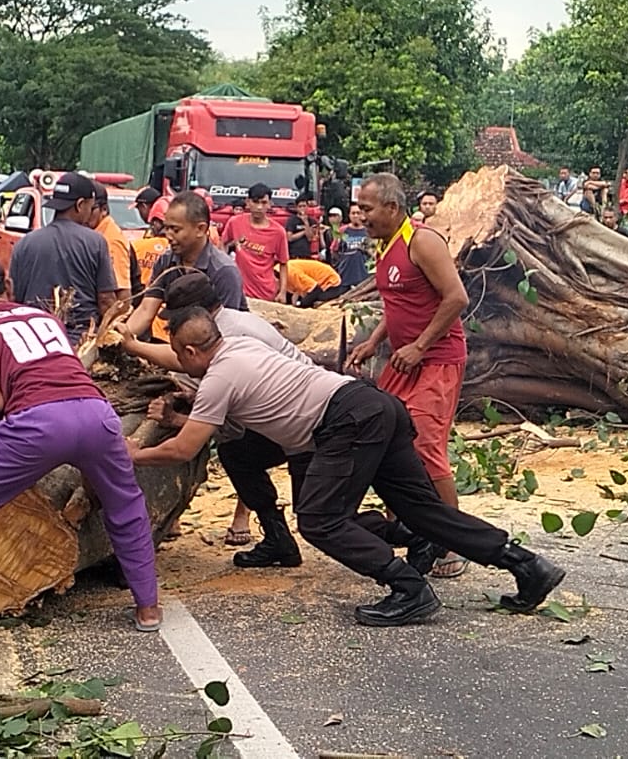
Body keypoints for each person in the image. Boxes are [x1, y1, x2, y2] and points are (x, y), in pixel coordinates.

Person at [129, 308, 566, 626]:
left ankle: (407, 589)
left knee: (319, 520)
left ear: (189, 350)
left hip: (346, 421)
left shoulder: (219, 376)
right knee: (420, 510)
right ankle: (526, 565)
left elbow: (183, 450)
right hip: (375, 405)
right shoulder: (239, 346)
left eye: (177, 355)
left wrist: (134, 454)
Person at [0, 255, 161, 631]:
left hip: (38, 424)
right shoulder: (45, 319)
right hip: (97, 413)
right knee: (124, 504)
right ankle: (148, 608)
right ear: (6, 287)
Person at [120, 271, 314, 564]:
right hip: (295, 417)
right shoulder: (226, 327)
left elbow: (210, 431)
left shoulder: (230, 339)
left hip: (306, 423)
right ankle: (278, 539)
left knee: (318, 520)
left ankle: (398, 540)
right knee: (237, 454)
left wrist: (165, 429)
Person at [345, 173, 471, 579]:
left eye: (367, 208)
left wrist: (420, 345)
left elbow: (456, 298)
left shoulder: (423, 242)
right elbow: (398, 305)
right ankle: (408, 530)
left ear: (392, 208)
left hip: (436, 361)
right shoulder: (385, 246)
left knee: (427, 447)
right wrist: (374, 342)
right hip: (403, 362)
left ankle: (455, 543)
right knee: (389, 439)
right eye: (359, 207)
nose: (360, 215)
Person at [118, 191, 247, 340]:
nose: (168, 235)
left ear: (200, 229)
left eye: (175, 229)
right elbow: (146, 309)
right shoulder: (166, 261)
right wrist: (121, 337)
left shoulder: (223, 271)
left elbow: (225, 333)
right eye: (166, 228)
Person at [8, 172, 117, 341]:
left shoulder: (24, 244)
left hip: (35, 339)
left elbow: (14, 299)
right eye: (91, 206)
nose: (91, 212)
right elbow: (106, 300)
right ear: (80, 205)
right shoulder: (96, 242)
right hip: (78, 341)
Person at [222, 183, 289, 303]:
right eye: (255, 202)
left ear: (270, 204)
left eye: (263, 203)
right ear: (248, 202)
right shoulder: (235, 223)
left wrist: (283, 292)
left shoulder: (278, 232)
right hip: (240, 291)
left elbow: (283, 263)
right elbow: (222, 244)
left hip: (265, 293)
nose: (259, 207)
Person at [86, 180, 132, 309]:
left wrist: (111, 325)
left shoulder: (111, 240)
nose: (85, 213)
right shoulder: (95, 235)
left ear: (104, 210)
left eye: (91, 208)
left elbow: (123, 295)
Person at [332, 203, 373, 288]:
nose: (355, 216)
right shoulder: (342, 231)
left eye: (358, 213)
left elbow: (374, 252)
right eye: (353, 213)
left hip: (364, 274)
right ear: (349, 215)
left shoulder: (369, 231)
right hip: (345, 275)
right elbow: (334, 250)